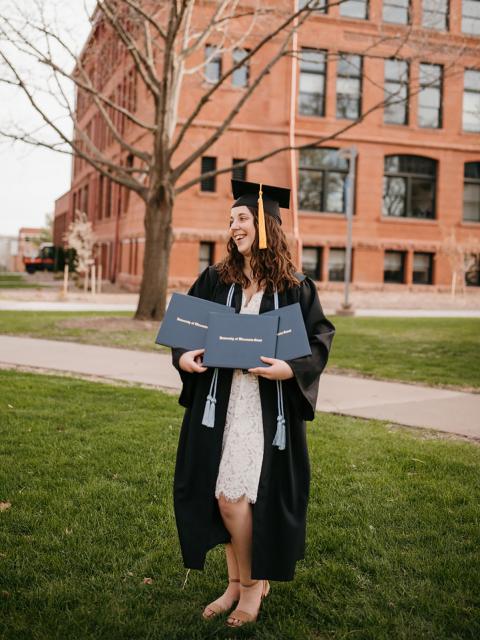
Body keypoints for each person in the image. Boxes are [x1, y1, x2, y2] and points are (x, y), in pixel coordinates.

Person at [171, 179, 335, 628]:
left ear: (265, 224)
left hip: (265, 409)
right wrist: (183, 358)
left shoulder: (295, 287)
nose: (234, 226)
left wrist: (291, 370)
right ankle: (236, 582)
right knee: (220, 493)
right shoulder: (215, 279)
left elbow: (319, 340)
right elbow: (185, 333)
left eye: (242, 218)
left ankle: (250, 588)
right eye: (231, 220)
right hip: (218, 402)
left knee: (233, 497)